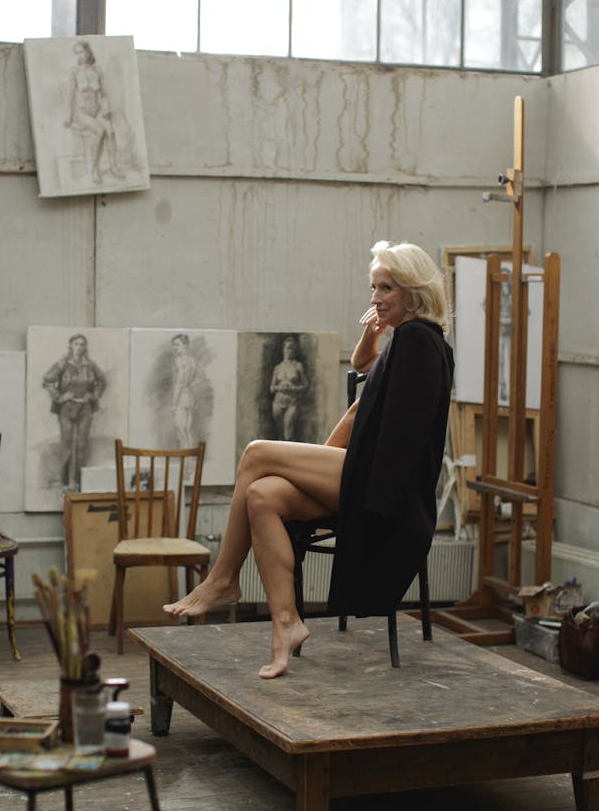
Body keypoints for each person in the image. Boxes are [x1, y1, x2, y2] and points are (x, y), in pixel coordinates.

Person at [164, 240, 455, 680]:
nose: (375, 298)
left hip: (383, 488)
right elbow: (364, 378)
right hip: (365, 474)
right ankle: (287, 625)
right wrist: (371, 332)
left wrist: (335, 467)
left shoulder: (417, 340)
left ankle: (222, 578)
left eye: (387, 289)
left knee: (256, 453)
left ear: (414, 292)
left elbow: (397, 442)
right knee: (262, 496)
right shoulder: (409, 340)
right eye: (373, 287)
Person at [42, 334, 106, 492]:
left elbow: (102, 381)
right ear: (70, 346)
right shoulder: (63, 364)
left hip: (85, 409)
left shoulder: (90, 365)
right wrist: (60, 397)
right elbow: (47, 380)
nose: (80, 347)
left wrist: (93, 396)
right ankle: (64, 484)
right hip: (67, 409)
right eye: (76, 344)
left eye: (82, 345)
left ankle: (79, 483)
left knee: (82, 446)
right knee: (67, 447)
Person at [64, 40, 121, 183]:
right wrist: (69, 116)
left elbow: (104, 93)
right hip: (82, 113)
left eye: (82, 52)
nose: (80, 55)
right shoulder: (74, 72)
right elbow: (70, 96)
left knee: (110, 131)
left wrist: (106, 107)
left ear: (88, 52)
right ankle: (94, 169)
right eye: (77, 53)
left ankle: (114, 167)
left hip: (98, 110)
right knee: (100, 131)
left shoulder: (98, 70)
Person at [269, 335, 309, 441]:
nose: (290, 351)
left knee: (288, 434)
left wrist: (292, 388)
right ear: (283, 349)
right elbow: (271, 388)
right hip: (277, 403)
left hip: (292, 402)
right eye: (288, 348)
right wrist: (279, 387)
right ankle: (278, 457)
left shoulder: (298, 366)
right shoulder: (278, 368)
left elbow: (305, 386)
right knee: (280, 435)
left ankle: (289, 456)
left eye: (292, 348)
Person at [170, 334, 197, 448]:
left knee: (180, 431)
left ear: (185, 345)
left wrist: (174, 404)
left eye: (177, 345)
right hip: (190, 397)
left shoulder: (179, 361)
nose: (174, 348)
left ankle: (185, 461)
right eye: (173, 345)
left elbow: (180, 382)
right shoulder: (192, 361)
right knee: (187, 430)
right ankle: (190, 461)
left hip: (181, 397)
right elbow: (190, 380)